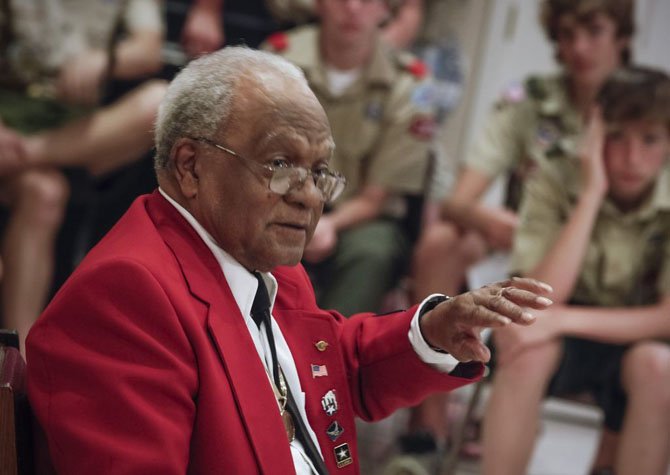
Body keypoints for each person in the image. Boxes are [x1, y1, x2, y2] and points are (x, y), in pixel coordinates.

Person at [26, 47, 552, 474]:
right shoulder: (124, 297)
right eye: (280, 164)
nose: (309, 196)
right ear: (191, 166)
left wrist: (432, 329)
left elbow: (321, 371)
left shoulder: (264, 262)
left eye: (320, 170)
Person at [405, 0, 635, 453]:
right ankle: (427, 428)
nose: (579, 47)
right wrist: (495, 220)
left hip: (612, 259)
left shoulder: (644, 111)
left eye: (594, 31)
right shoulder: (532, 101)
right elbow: (457, 201)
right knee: (440, 241)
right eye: (566, 35)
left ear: (622, 37)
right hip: (531, 250)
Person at [483, 66, 670, 475]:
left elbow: (666, 318)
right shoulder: (556, 173)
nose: (632, 157)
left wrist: (560, 319)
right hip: (558, 332)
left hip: (636, 340)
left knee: (660, 368)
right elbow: (538, 297)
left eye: (650, 139)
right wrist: (592, 195)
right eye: (616, 136)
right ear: (594, 132)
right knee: (525, 347)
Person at [0, 0, 166, 352]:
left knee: (161, 101)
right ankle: (20, 358)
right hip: (9, 111)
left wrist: (106, 60)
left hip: (77, 134)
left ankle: (27, 153)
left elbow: (149, 48)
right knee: (44, 192)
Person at [264, 0, 438, 315]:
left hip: (354, 218)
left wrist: (328, 224)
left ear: (387, 9)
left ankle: (332, 351)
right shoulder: (278, 59)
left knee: (374, 250)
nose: (353, 8)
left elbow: (377, 197)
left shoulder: (409, 83)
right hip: (277, 198)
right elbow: (255, 159)